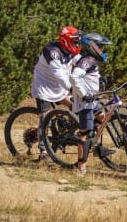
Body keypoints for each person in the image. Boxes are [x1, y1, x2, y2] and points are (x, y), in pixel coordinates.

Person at [31, 26, 83, 162]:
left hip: (60, 88)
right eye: (74, 41)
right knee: (45, 119)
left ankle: (64, 134)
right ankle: (43, 152)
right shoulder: (51, 51)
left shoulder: (72, 51)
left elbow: (82, 64)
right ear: (65, 40)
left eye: (78, 41)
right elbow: (59, 75)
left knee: (76, 106)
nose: (77, 44)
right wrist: (74, 88)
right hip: (44, 88)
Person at [70, 32, 114, 176]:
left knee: (103, 118)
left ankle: (95, 144)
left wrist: (100, 80)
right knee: (85, 133)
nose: (102, 50)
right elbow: (75, 76)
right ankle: (81, 166)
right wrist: (84, 94)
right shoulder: (86, 60)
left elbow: (88, 77)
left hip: (92, 100)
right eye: (100, 47)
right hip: (85, 102)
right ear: (92, 47)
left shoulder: (91, 60)